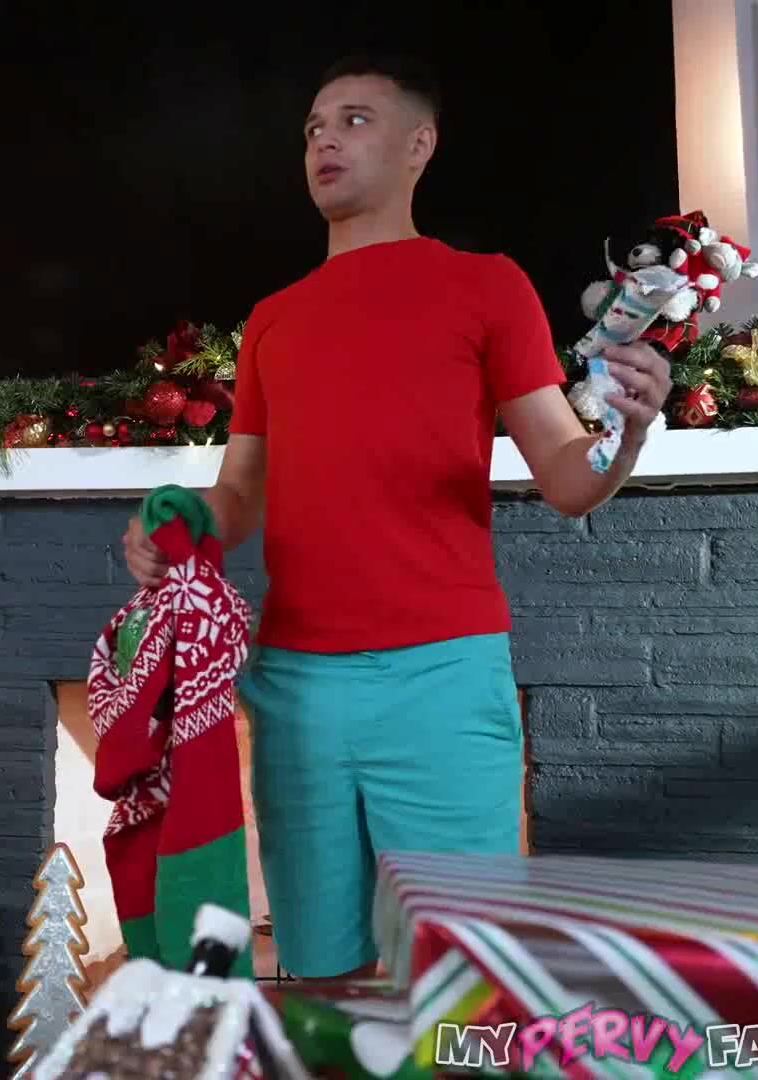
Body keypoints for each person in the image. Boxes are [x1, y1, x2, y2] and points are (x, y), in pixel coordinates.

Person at [121, 53, 673, 981]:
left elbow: (564, 475)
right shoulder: (273, 319)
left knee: (460, 974)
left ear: (420, 144)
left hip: (444, 680)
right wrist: (173, 527)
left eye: (354, 119)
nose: (324, 140)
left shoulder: (488, 286)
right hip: (297, 690)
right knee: (318, 971)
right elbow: (241, 492)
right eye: (313, 127)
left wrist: (629, 434)